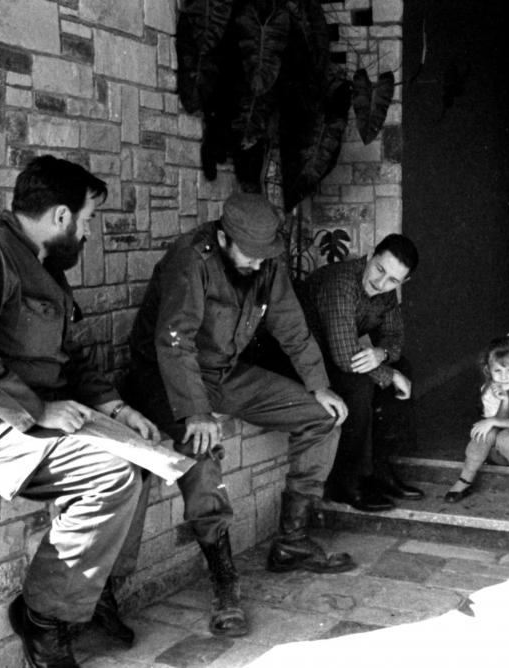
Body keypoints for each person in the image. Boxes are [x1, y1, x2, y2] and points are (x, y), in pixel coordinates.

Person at [0, 156, 161, 668]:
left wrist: (116, 408)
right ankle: (42, 616)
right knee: (112, 473)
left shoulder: (45, 265)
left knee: (142, 457)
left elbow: (70, 354)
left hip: (21, 420)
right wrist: (39, 409)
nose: (90, 233)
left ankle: (89, 595)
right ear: (60, 217)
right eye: (88, 219)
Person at [123, 191, 355, 639]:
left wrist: (318, 384)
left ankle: (292, 539)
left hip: (223, 374)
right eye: (249, 256)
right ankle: (224, 582)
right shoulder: (190, 258)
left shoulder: (265, 259)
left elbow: (291, 323)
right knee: (202, 453)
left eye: (265, 257)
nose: (256, 265)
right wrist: (194, 412)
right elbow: (174, 341)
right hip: (165, 378)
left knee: (321, 416)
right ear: (225, 238)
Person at [302, 234, 424, 512]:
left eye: (393, 280)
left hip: (331, 356)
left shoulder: (387, 291)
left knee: (402, 366)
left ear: (403, 282)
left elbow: (393, 336)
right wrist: (389, 376)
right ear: (370, 257)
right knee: (359, 383)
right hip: (299, 360)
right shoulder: (341, 282)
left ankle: (379, 471)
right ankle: (346, 483)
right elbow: (346, 358)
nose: (381, 283)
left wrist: (382, 355)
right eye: (380, 270)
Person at [443, 335, 509, 510]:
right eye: (498, 371)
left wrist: (492, 420)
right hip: (499, 454)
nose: (503, 377)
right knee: (486, 432)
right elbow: (497, 426)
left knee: (504, 436)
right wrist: (505, 402)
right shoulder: (488, 390)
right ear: (488, 370)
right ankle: (465, 480)